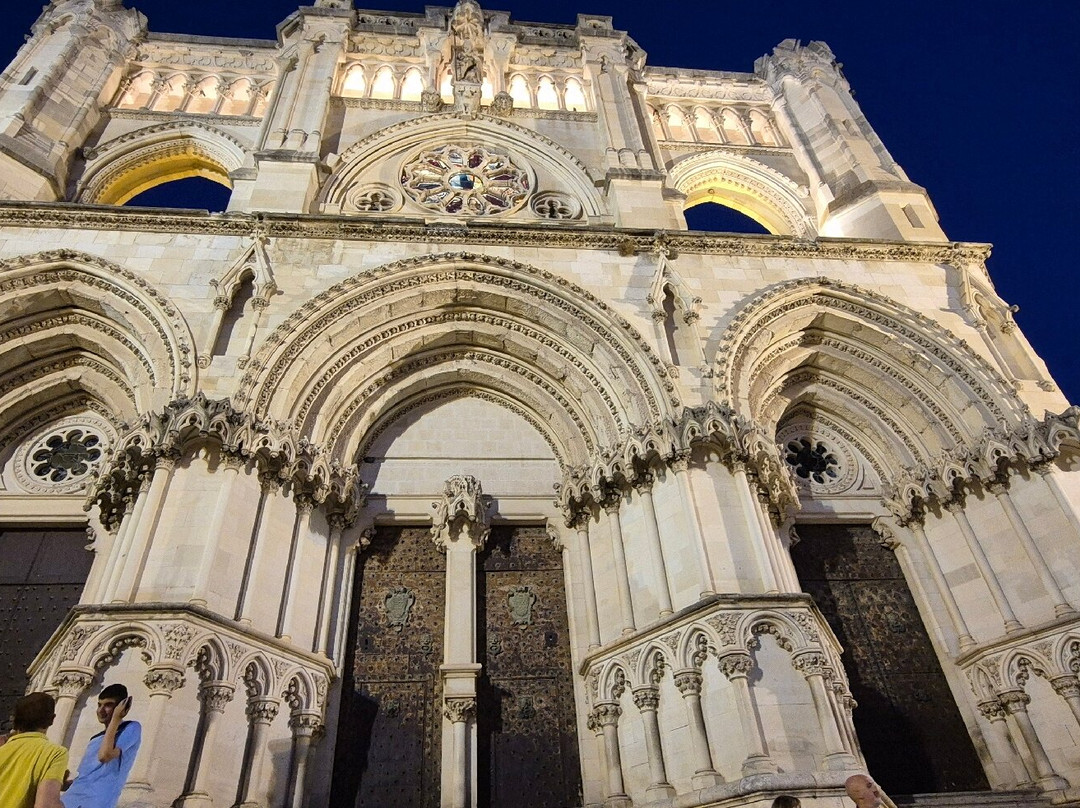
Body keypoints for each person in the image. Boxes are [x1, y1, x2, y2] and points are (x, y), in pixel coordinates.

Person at [60, 685, 141, 808]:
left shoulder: (131, 728)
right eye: (99, 705)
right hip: (70, 800)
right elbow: (88, 776)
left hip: (96, 802)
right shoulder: (95, 739)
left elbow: (105, 755)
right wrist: (63, 783)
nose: (101, 710)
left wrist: (116, 719)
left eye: (108, 705)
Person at [0, 692, 68, 808]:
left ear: (15, 719)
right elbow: (46, 805)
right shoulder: (55, 753)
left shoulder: (3, 749)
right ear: (52, 719)